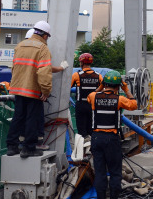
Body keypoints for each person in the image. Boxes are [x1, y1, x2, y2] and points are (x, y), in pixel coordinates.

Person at [6, 21, 63, 158]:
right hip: (32, 90)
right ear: (44, 35)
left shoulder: (20, 45)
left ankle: (11, 146)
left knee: (18, 117)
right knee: (32, 118)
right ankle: (28, 148)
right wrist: (46, 91)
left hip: (18, 89)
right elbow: (44, 72)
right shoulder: (42, 49)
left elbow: (14, 68)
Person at [88, 70, 137, 199]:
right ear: (117, 86)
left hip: (96, 139)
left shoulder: (93, 96)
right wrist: (126, 89)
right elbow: (134, 105)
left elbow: (89, 98)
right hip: (112, 140)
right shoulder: (119, 99)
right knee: (115, 172)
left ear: (104, 84)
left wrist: (100, 87)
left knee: (100, 172)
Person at [70, 53, 102, 138]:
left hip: (81, 105)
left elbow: (68, 87)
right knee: (92, 129)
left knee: (81, 131)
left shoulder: (77, 75)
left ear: (81, 63)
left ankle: (83, 149)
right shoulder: (98, 76)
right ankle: (93, 148)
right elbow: (103, 89)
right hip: (93, 105)